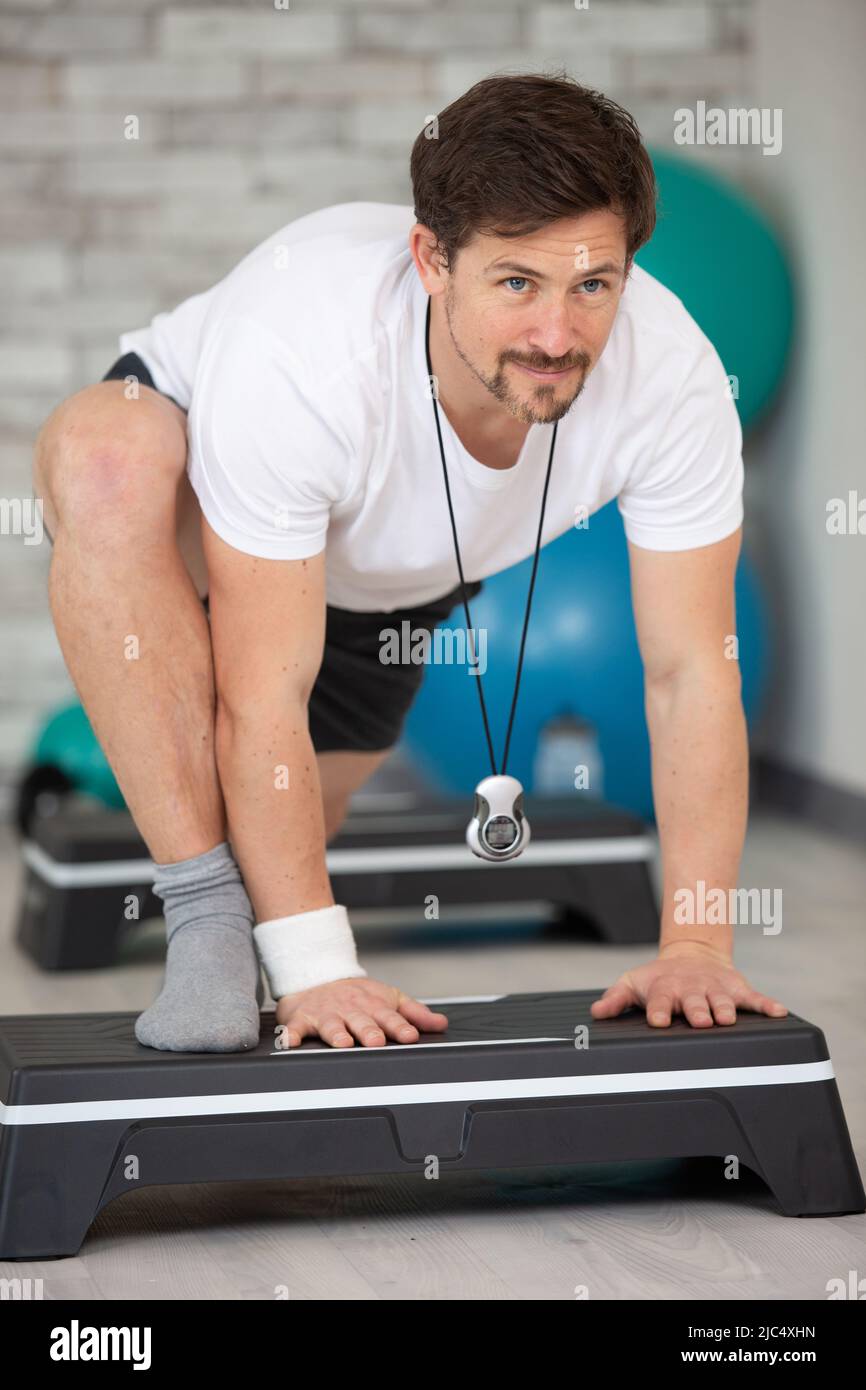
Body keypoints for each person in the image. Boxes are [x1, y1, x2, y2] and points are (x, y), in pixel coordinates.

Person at [32, 72, 788, 1053]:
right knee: (107, 458)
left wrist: (695, 941)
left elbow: (690, 670)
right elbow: (262, 691)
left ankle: (247, 901)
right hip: (202, 497)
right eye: (516, 282)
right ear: (431, 259)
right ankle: (206, 917)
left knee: (306, 833)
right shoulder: (304, 348)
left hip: (392, 585)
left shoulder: (673, 380)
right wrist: (315, 969)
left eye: (592, 285)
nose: (557, 336)